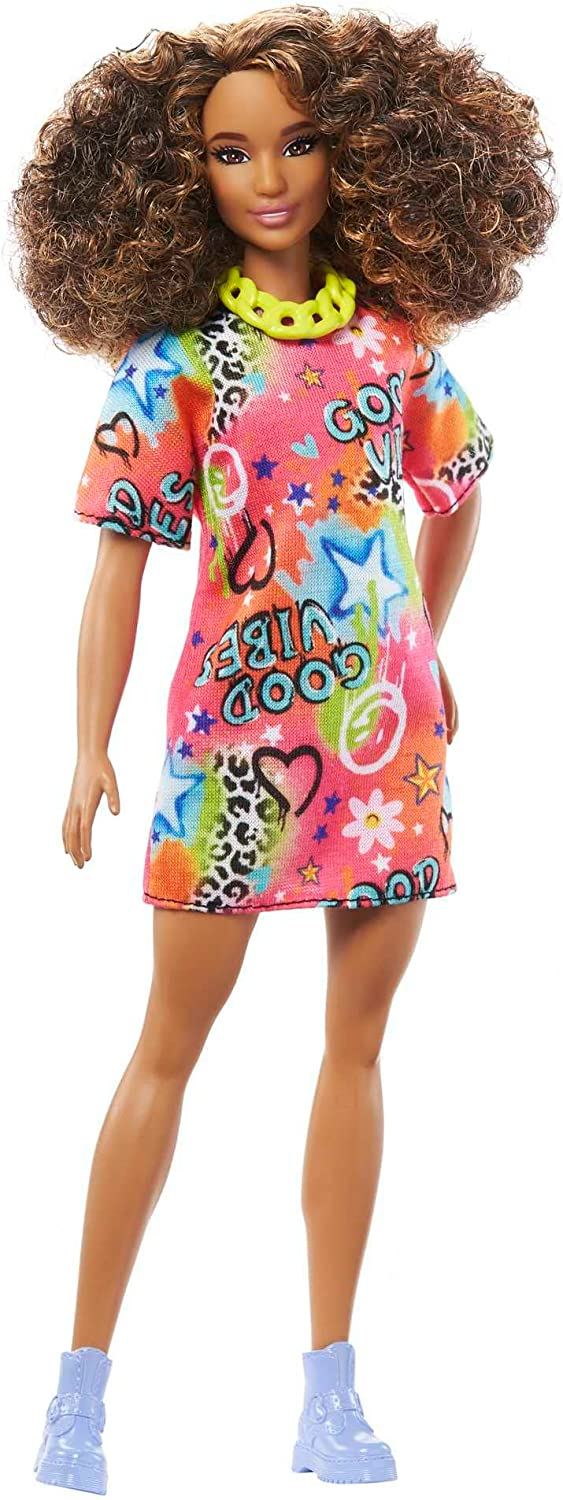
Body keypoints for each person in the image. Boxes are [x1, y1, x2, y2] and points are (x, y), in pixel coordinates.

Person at [8, 5, 556, 1491]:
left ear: (356, 152)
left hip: (381, 754)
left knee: (356, 1049)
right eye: (230, 151)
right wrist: (86, 745)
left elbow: (461, 490)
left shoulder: (394, 345)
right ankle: (76, 1392)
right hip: (234, 761)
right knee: (167, 1046)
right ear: (175, 175)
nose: (269, 176)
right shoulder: (176, 361)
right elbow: (119, 561)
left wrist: (429, 644)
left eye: (298, 142)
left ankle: (331, 1394)